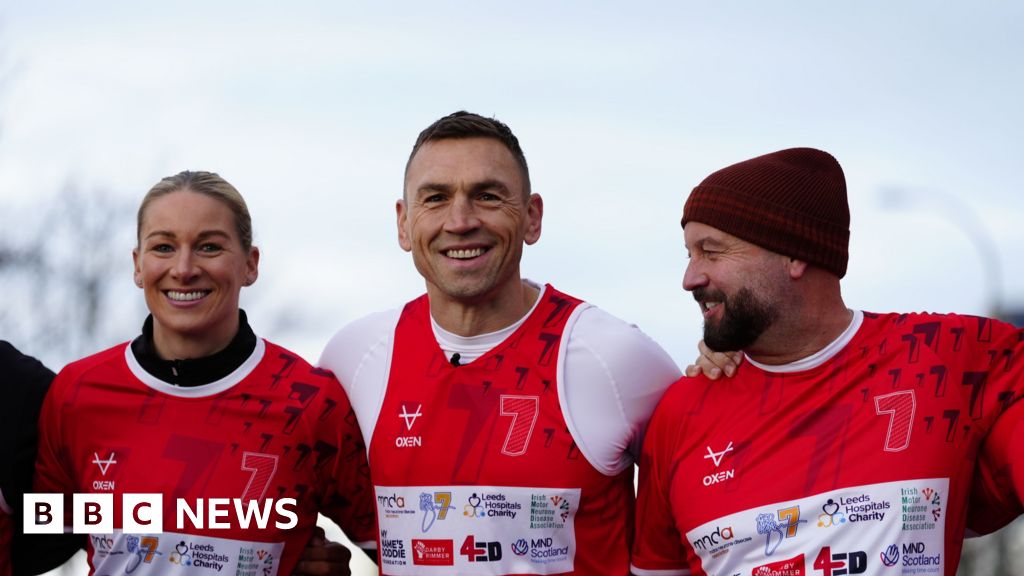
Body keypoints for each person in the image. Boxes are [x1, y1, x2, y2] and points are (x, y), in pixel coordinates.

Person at [631, 148, 1024, 576]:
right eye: (689, 254)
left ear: (795, 253)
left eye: (712, 251)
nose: (690, 277)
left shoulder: (944, 357)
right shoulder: (679, 414)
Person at [319, 111, 681, 575]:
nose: (461, 220)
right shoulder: (354, 357)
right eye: (436, 198)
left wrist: (733, 355)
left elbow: (702, 510)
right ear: (404, 224)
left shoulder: (616, 358)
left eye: (488, 196)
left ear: (532, 218)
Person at [33, 171, 376, 575]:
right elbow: (37, 543)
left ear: (250, 265)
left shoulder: (313, 403)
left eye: (209, 247)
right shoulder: (77, 394)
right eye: (163, 246)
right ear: (138, 265)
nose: (184, 268)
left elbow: (397, 550)